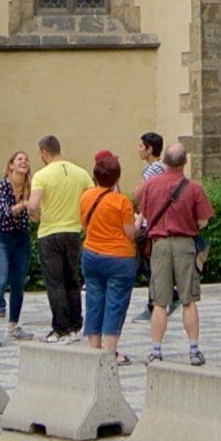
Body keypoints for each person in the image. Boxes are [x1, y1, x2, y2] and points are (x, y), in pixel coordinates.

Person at [136, 138, 214, 366]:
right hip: (185, 245)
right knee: (188, 300)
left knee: (160, 301)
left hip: (159, 244)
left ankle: (156, 350)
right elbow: (203, 220)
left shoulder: (151, 185)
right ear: (185, 162)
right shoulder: (194, 188)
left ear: (166, 162)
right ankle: (193, 349)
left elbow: (146, 214)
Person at [77, 152, 141, 361]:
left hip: (92, 255)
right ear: (118, 178)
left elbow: (85, 226)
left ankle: (94, 350)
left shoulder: (86, 196)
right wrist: (138, 222)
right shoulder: (122, 202)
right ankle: (109, 351)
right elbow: (130, 233)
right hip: (119, 258)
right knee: (115, 303)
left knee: (94, 301)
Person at [29, 136, 91, 341]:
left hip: (49, 232)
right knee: (72, 279)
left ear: (45, 152)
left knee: (55, 282)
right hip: (72, 231)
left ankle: (60, 327)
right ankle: (76, 324)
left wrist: (37, 218)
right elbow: (90, 199)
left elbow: (33, 205)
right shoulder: (80, 172)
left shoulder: (41, 175)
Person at [0, 153, 33, 341]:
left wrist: (34, 209)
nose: (24, 162)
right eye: (19, 159)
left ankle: (13, 325)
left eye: (26, 160)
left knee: (19, 283)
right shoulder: (2, 185)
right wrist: (23, 205)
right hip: (1, 238)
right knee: (0, 280)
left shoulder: (30, 187)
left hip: (21, 239)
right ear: (11, 165)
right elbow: (4, 212)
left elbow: (35, 214)